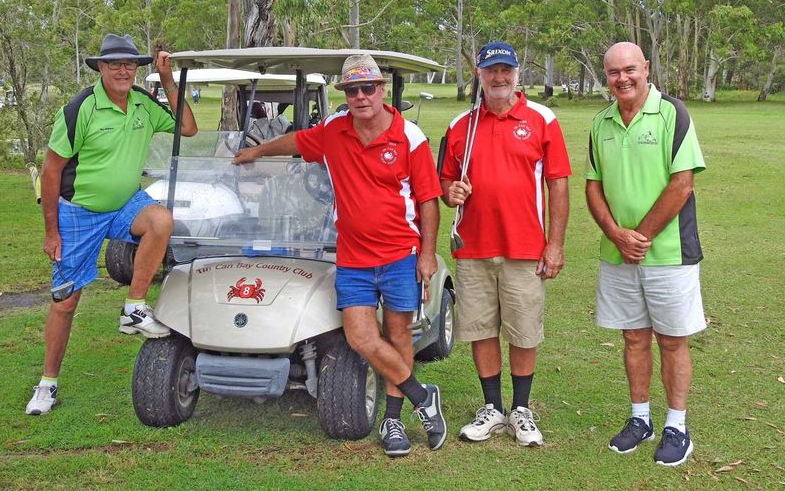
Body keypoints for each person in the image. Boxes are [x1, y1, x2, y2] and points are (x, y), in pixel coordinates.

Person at [233, 53, 446, 458]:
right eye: (352, 90)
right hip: (353, 257)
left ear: (382, 90)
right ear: (345, 94)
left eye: (368, 88)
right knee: (362, 336)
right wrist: (256, 153)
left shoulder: (410, 137)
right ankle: (423, 397)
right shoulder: (334, 129)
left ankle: (395, 421)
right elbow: (296, 141)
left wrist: (428, 255)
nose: (361, 96)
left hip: (402, 253)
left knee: (398, 334)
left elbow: (429, 201)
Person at [25, 33, 198, 416]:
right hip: (77, 212)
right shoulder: (80, 108)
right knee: (66, 302)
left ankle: (134, 307)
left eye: (130, 64)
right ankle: (47, 384)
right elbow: (51, 170)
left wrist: (169, 81)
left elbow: (187, 127)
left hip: (124, 204)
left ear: (137, 69)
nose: (123, 70)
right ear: (101, 68)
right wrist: (51, 231)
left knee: (160, 220)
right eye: (114, 64)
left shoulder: (142, 103)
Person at [440, 41, 571, 447]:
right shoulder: (461, 124)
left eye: (505, 70)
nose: (499, 78)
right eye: (491, 70)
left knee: (523, 330)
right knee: (480, 328)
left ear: (517, 74)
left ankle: (522, 410)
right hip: (474, 248)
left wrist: (555, 244)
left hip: (525, 248)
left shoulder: (541, 119)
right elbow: (443, 181)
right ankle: (493, 408)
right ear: (479, 74)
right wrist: (451, 192)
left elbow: (558, 183)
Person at [585, 41, 706, 467]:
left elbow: (683, 184)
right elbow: (593, 185)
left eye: (630, 69)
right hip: (619, 253)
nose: (623, 78)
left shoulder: (673, 113)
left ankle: (677, 426)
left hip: (669, 253)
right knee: (634, 337)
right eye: (614, 72)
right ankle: (641, 419)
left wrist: (640, 236)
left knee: (672, 340)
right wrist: (617, 235)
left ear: (647, 68)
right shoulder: (600, 121)